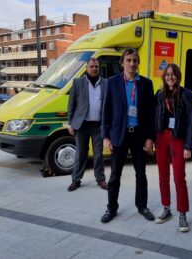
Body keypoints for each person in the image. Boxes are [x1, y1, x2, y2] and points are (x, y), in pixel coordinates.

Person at [100, 48, 155, 223]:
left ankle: (142, 206)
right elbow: (106, 111)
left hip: (138, 135)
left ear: (138, 63)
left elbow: (150, 113)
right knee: (115, 174)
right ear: (122, 62)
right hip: (118, 135)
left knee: (141, 174)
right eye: (129, 60)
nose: (132, 64)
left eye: (135, 60)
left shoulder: (146, 84)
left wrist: (149, 137)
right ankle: (111, 208)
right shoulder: (112, 82)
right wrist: (106, 137)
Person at [154, 64, 192, 232]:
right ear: (164, 77)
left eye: (173, 74)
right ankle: (166, 209)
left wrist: (189, 145)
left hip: (178, 138)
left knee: (179, 178)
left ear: (178, 76)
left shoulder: (187, 95)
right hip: (161, 137)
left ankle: (182, 213)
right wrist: (152, 140)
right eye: (167, 74)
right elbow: (154, 117)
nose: (170, 77)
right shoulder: (159, 94)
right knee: (162, 176)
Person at [67, 58, 107, 191]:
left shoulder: (105, 83)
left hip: (98, 126)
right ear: (86, 67)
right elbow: (71, 104)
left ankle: (100, 179)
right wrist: (71, 124)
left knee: (98, 155)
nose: (94, 69)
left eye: (96, 66)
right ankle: (76, 180)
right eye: (91, 66)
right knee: (80, 154)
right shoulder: (78, 82)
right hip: (82, 125)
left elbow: (108, 106)